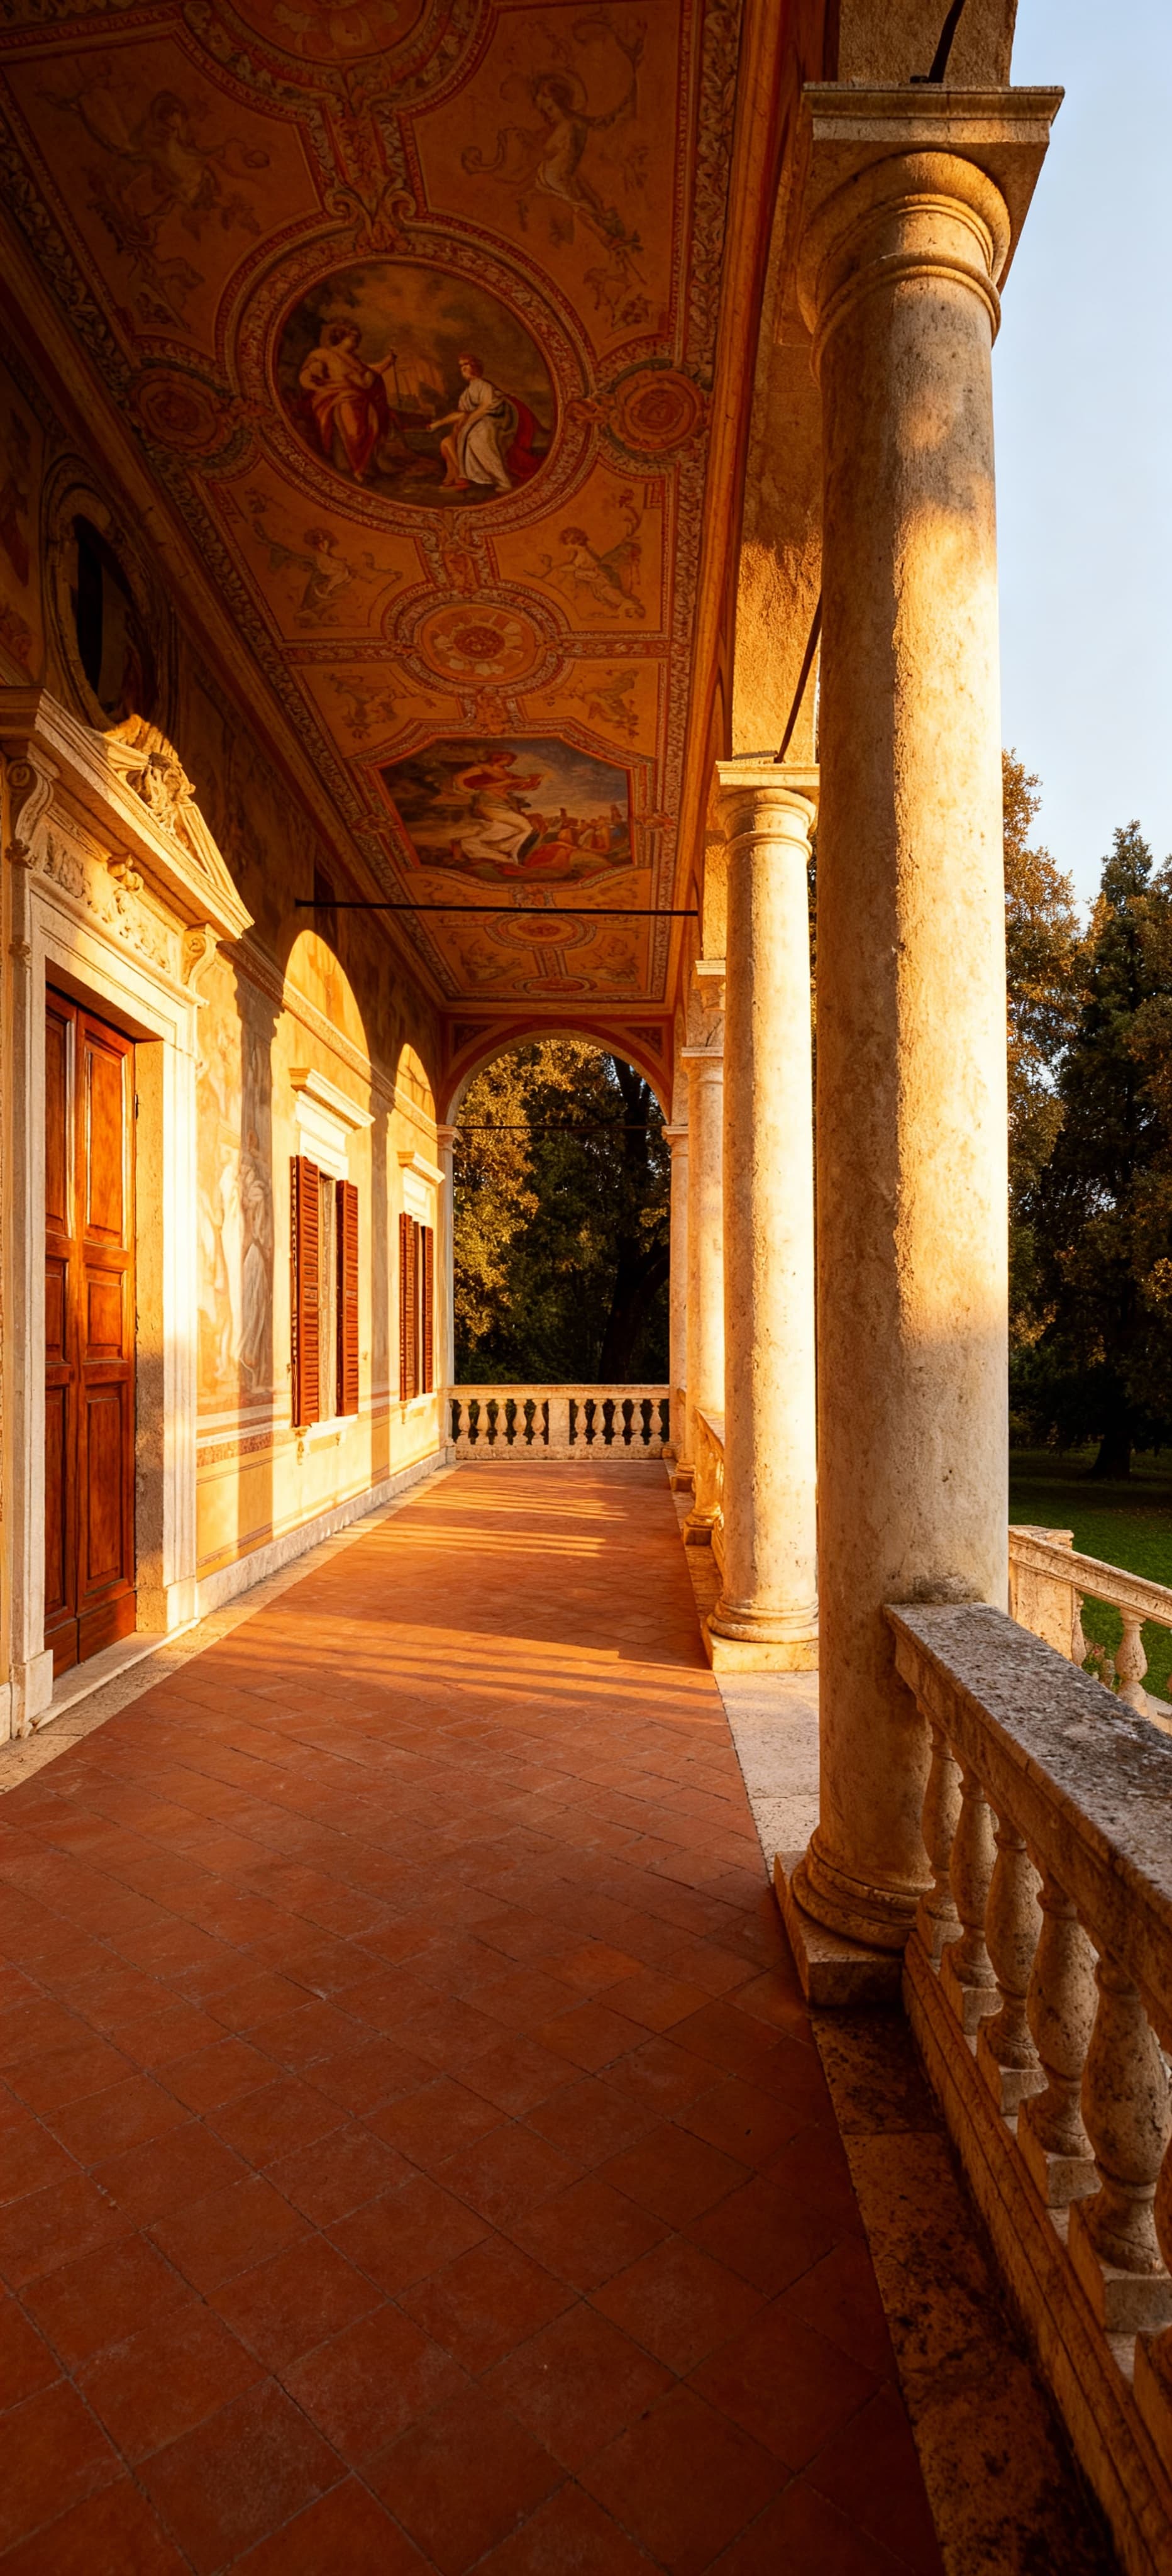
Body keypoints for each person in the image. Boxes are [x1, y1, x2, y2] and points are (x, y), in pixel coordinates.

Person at [299, 320, 400, 482]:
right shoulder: (323, 354)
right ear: (341, 336)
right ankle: (355, 467)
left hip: (359, 399)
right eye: (353, 338)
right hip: (336, 397)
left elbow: (370, 375)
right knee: (353, 430)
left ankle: (361, 468)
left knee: (373, 422)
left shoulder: (355, 360)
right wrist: (318, 388)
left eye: (358, 339)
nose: (356, 342)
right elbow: (306, 376)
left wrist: (388, 361)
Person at [431, 355, 540, 496]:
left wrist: (469, 420)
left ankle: (503, 481)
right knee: (448, 442)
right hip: (475, 421)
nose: (463, 368)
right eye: (461, 366)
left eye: (466, 364)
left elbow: (486, 406)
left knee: (477, 438)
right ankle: (459, 478)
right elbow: (460, 413)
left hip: (492, 419)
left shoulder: (484, 386)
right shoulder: (466, 393)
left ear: (475, 367)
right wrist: (438, 424)